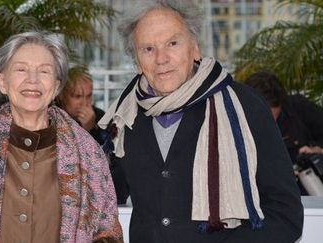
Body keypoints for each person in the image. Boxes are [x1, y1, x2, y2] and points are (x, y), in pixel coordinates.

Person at [98, 1, 303, 242]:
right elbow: (106, 197)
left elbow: (285, 213)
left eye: (172, 43)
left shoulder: (245, 107)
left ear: (195, 48)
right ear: (137, 61)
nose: (161, 59)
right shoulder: (124, 118)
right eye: (148, 49)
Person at [0, 31, 123, 243]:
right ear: (2, 81)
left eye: (44, 71)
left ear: (56, 86)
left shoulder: (86, 150)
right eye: (21, 69)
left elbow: (109, 233)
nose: (32, 80)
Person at [244, 70, 323, 160]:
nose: (271, 122)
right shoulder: (235, 130)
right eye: (265, 117)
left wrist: (317, 149)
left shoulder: (298, 107)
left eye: (275, 115)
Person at [56, 68, 106, 144]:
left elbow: (103, 153)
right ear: (61, 95)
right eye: (77, 96)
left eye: (89, 96)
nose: (84, 103)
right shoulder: (49, 117)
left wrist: (91, 129)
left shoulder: (100, 117)